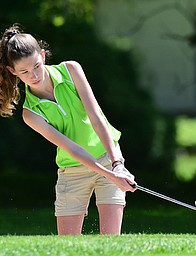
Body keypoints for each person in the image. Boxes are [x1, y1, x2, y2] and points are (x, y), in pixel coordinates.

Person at [0, 24, 136, 235]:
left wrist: (117, 165)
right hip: (72, 171)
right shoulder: (30, 113)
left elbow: (97, 119)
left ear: (43, 56)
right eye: (24, 72)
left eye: (36, 66)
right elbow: (73, 149)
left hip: (108, 157)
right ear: (12, 72)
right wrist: (110, 174)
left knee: (111, 243)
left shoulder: (71, 69)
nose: (34, 75)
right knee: (67, 247)